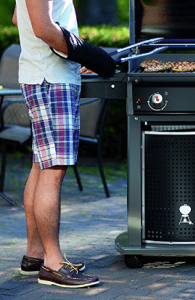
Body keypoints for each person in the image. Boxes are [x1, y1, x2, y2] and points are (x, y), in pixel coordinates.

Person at [12, 0, 114, 288]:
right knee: (54, 169)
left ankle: (34, 256)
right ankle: (53, 264)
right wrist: (87, 54)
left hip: (44, 74)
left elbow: (20, 20)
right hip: (51, 78)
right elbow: (43, 27)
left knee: (41, 164)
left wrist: (73, 55)